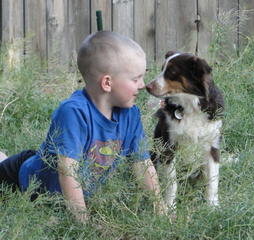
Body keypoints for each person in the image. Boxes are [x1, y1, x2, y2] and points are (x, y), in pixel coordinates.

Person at [0, 31, 166, 223]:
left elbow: (142, 164)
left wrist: (160, 210)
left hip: (56, 178)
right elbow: (67, 171)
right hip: (26, 182)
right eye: (136, 79)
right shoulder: (73, 112)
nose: (142, 85)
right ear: (107, 83)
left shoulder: (130, 113)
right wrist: (83, 224)